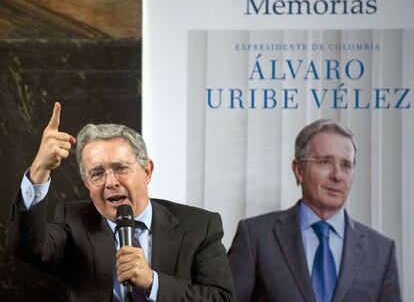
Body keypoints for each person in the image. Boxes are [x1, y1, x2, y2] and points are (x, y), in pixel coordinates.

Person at [7, 102, 234, 302]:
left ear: (147, 171)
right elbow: (28, 249)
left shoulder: (200, 226)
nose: (110, 182)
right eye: (96, 173)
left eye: (120, 168)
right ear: (87, 183)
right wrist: (39, 170)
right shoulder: (73, 220)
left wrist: (152, 282)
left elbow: (221, 298)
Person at [228, 119, 401, 302]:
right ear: (299, 170)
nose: (337, 175)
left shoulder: (381, 251)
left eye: (346, 165)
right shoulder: (255, 237)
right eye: (325, 162)